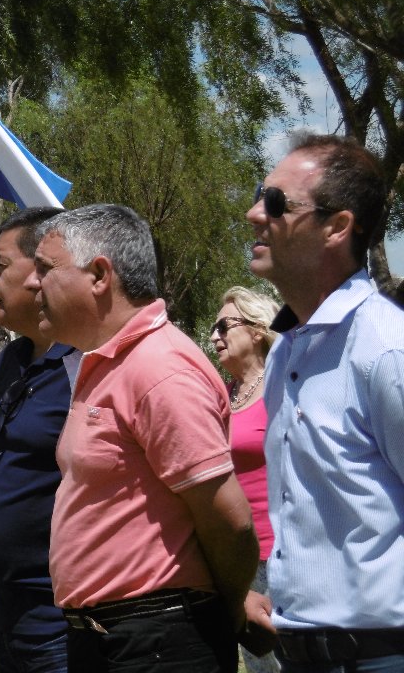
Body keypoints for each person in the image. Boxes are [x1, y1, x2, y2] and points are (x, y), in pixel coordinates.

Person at [25, 204, 258, 673]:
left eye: (46, 270)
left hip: (158, 642)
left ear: (98, 275)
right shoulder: (106, 363)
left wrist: (229, 611)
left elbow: (229, 523)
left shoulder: (159, 367)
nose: (34, 284)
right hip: (113, 639)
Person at [245, 133, 404, 672]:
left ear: (337, 227)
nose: (253, 214)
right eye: (257, 195)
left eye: (275, 204)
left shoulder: (385, 349)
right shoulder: (286, 351)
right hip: (300, 651)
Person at [0, 206, 79, 672]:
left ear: (40, 270)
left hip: (58, 621)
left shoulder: (86, 365)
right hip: (1, 608)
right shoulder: (11, 360)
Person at [210, 287, 282, 673]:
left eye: (224, 326)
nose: (214, 336)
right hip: (240, 552)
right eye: (213, 328)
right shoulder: (222, 395)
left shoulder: (283, 385)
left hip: (283, 551)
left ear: (256, 330)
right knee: (259, 662)